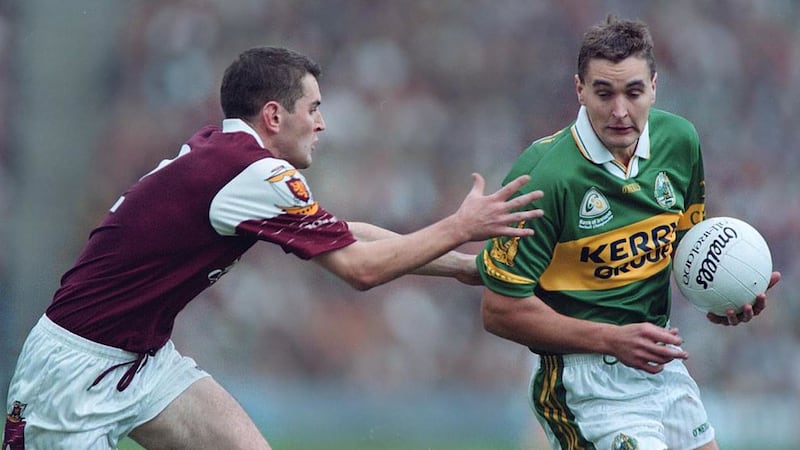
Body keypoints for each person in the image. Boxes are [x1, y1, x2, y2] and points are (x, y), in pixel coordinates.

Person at [3, 46, 545, 450]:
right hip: (72, 375)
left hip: (143, 363)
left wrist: (463, 268)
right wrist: (461, 224)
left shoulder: (231, 156)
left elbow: (346, 233)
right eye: (313, 107)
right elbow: (360, 269)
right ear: (273, 115)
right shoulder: (254, 172)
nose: (322, 122)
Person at [477, 16, 781, 450]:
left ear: (654, 87)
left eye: (633, 92)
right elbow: (498, 310)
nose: (620, 111)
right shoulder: (544, 175)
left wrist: (721, 294)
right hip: (587, 382)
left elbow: (680, 249)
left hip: (659, 364)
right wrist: (611, 339)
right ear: (579, 89)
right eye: (604, 92)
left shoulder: (681, 142)